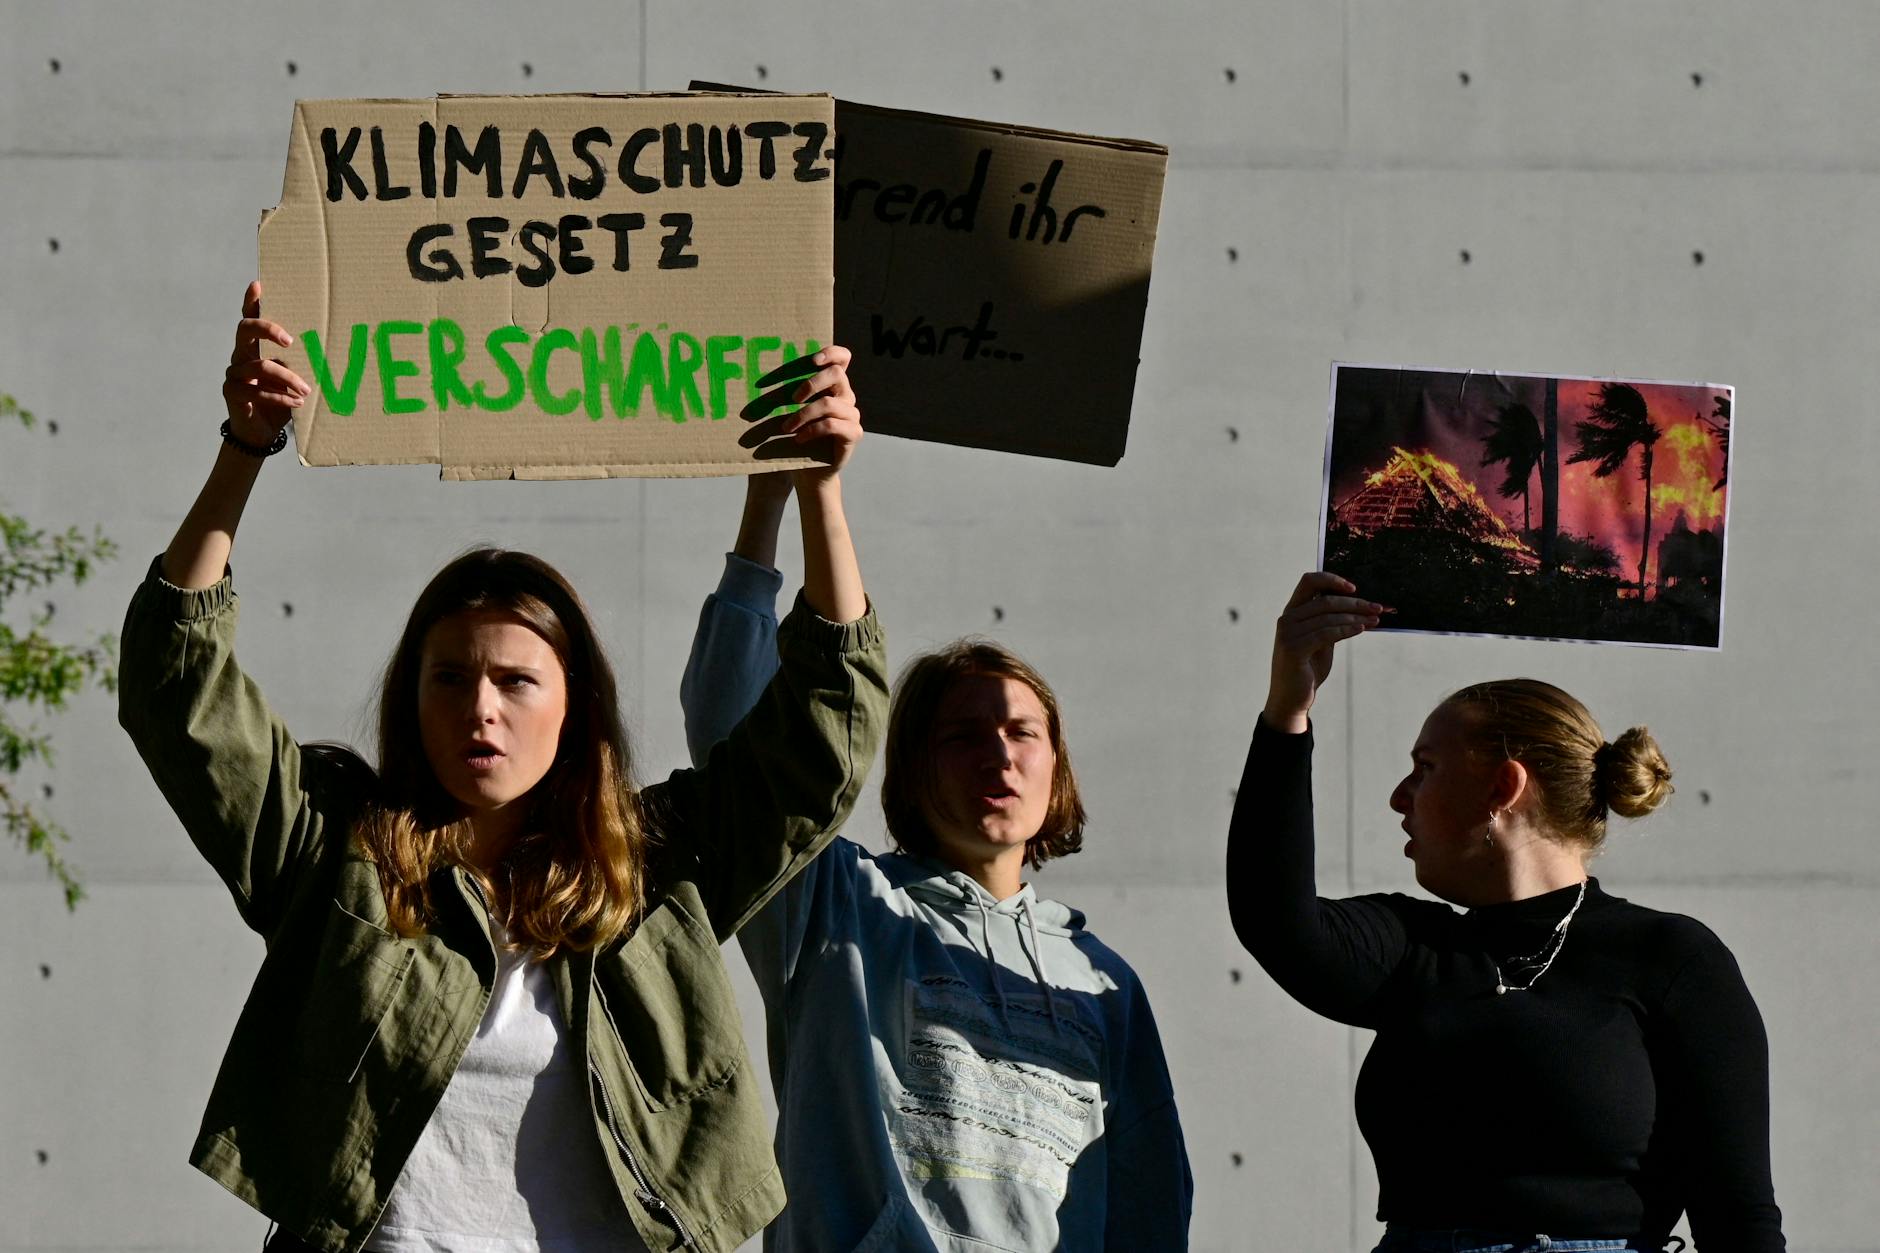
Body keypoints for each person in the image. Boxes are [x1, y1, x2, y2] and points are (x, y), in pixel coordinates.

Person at [117, 283, 888, 1253]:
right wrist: (245, 447)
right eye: (450, 676)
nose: (480, 706)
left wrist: (818, 487)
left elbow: (828, 731)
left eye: (515, 680)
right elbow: (173, 684)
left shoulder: (659, 870)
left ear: (576, 707)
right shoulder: (336, 852)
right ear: (411, 695)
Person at [678, 474, 1192, 1252]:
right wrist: (782, 501)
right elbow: (731, 735)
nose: (999, 753)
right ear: (914, 768)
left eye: (1024, 732)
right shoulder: (833, 905)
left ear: (1058, 766)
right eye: (964, 735)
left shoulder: (1102, 984)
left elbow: (1151, 1213)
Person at [1227, 572, 1785, 1253]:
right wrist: (1289, 708)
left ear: (1503, 785)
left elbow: (1740, 1220)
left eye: (1425, 767)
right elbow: (1274, 919)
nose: (1400, 797)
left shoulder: (1670, 958)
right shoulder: (1416, 946)